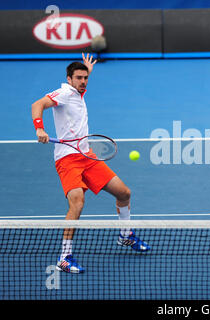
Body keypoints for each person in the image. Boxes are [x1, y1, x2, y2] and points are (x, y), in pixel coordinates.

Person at [31, 53, 150, 273]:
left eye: (85, 78)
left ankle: (125, 237)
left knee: (124, 193)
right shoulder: (64, 93)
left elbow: (83, 85)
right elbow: (37, 104)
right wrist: (39, 127)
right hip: (68, 159)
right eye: (78, 78)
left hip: (87, 156)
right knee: (77, 202)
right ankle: (64, 257)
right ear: (69, 79)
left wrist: (87, 71)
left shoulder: (79, 90)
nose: (83, 81)